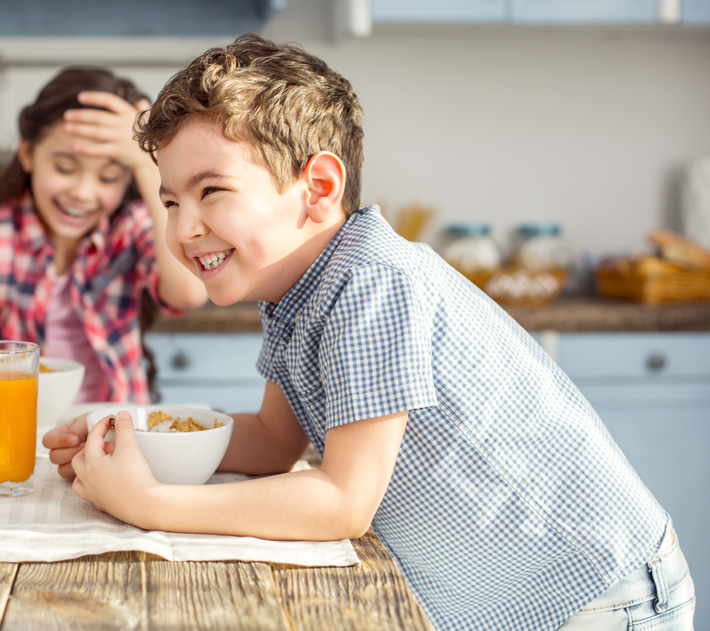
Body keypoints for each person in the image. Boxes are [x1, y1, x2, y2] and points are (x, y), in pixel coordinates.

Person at [43, 36, 695, 631]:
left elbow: (341, 501)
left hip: (600, 597)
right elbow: (273, 441)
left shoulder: (372, 281)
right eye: (171, 201)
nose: (183, 229)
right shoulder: (295, 287)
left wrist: (150, 502)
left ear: (318, 188)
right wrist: (123, 429)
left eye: (211, 190)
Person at [0, 68, 207, 403]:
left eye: (109, 176)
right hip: (19, 425)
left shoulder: (132, 226)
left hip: (115, 431)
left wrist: (145, 162)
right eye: (65, 168)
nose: (82, 193)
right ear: (27, 154)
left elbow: (188, 294)